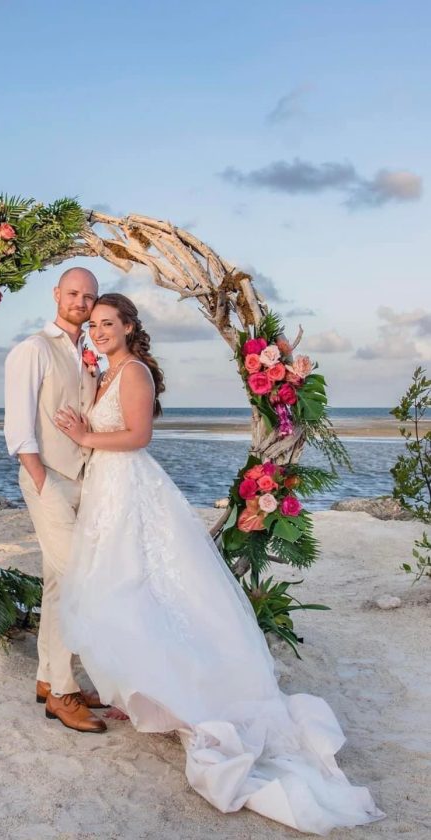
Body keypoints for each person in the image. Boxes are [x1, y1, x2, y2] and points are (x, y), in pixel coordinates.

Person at [53, 293, 385, 835]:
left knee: (144, 586)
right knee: (124, 589)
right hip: (107, 491)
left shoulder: (133, 371)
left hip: (131, 486)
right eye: (93, 325)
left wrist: (85, 435)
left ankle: (178, 694)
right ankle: (146, 692)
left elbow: (138, 436)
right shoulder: (106, 373)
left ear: (131, 326)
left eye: (109, 323)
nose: (100, 331)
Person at [3, 266, 109, 734]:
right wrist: (41, 479)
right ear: (55, 295)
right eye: (73, 293)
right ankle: (64, 694)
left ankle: (49, 678)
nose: (80, 302)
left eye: (89, 296)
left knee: (57, 583)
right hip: (49, 479)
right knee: (76, 581)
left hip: (83, 479)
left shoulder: (89, 353)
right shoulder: (33, 349)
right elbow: (18, 425)